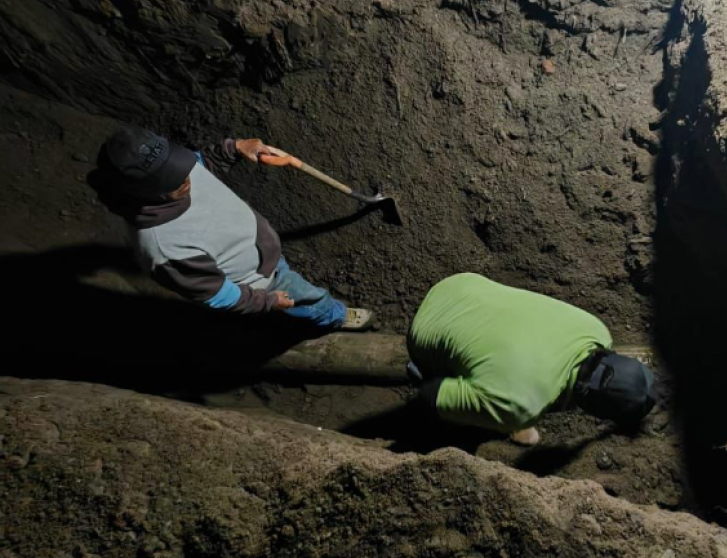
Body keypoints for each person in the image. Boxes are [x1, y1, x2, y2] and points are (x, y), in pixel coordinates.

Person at [88, 127, 374, 330]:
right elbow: (219, 295)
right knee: (310, 299)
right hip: (261, 282)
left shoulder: (173, 174)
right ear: (144, 192)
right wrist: (267, 300)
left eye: (180, 167)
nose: (187, 178)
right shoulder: (164, 248)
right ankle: (333, 316)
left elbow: (201, 163)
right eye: (174, 181)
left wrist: (235, 148)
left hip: (261, 251)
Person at [406, 273, 655, 445]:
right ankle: (427, 374)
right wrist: (508, 414)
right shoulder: (521, 405)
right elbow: (429, 396)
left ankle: (485, 397)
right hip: (425, 329)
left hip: (463, 284)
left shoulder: (596, 330)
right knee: (480, 414)